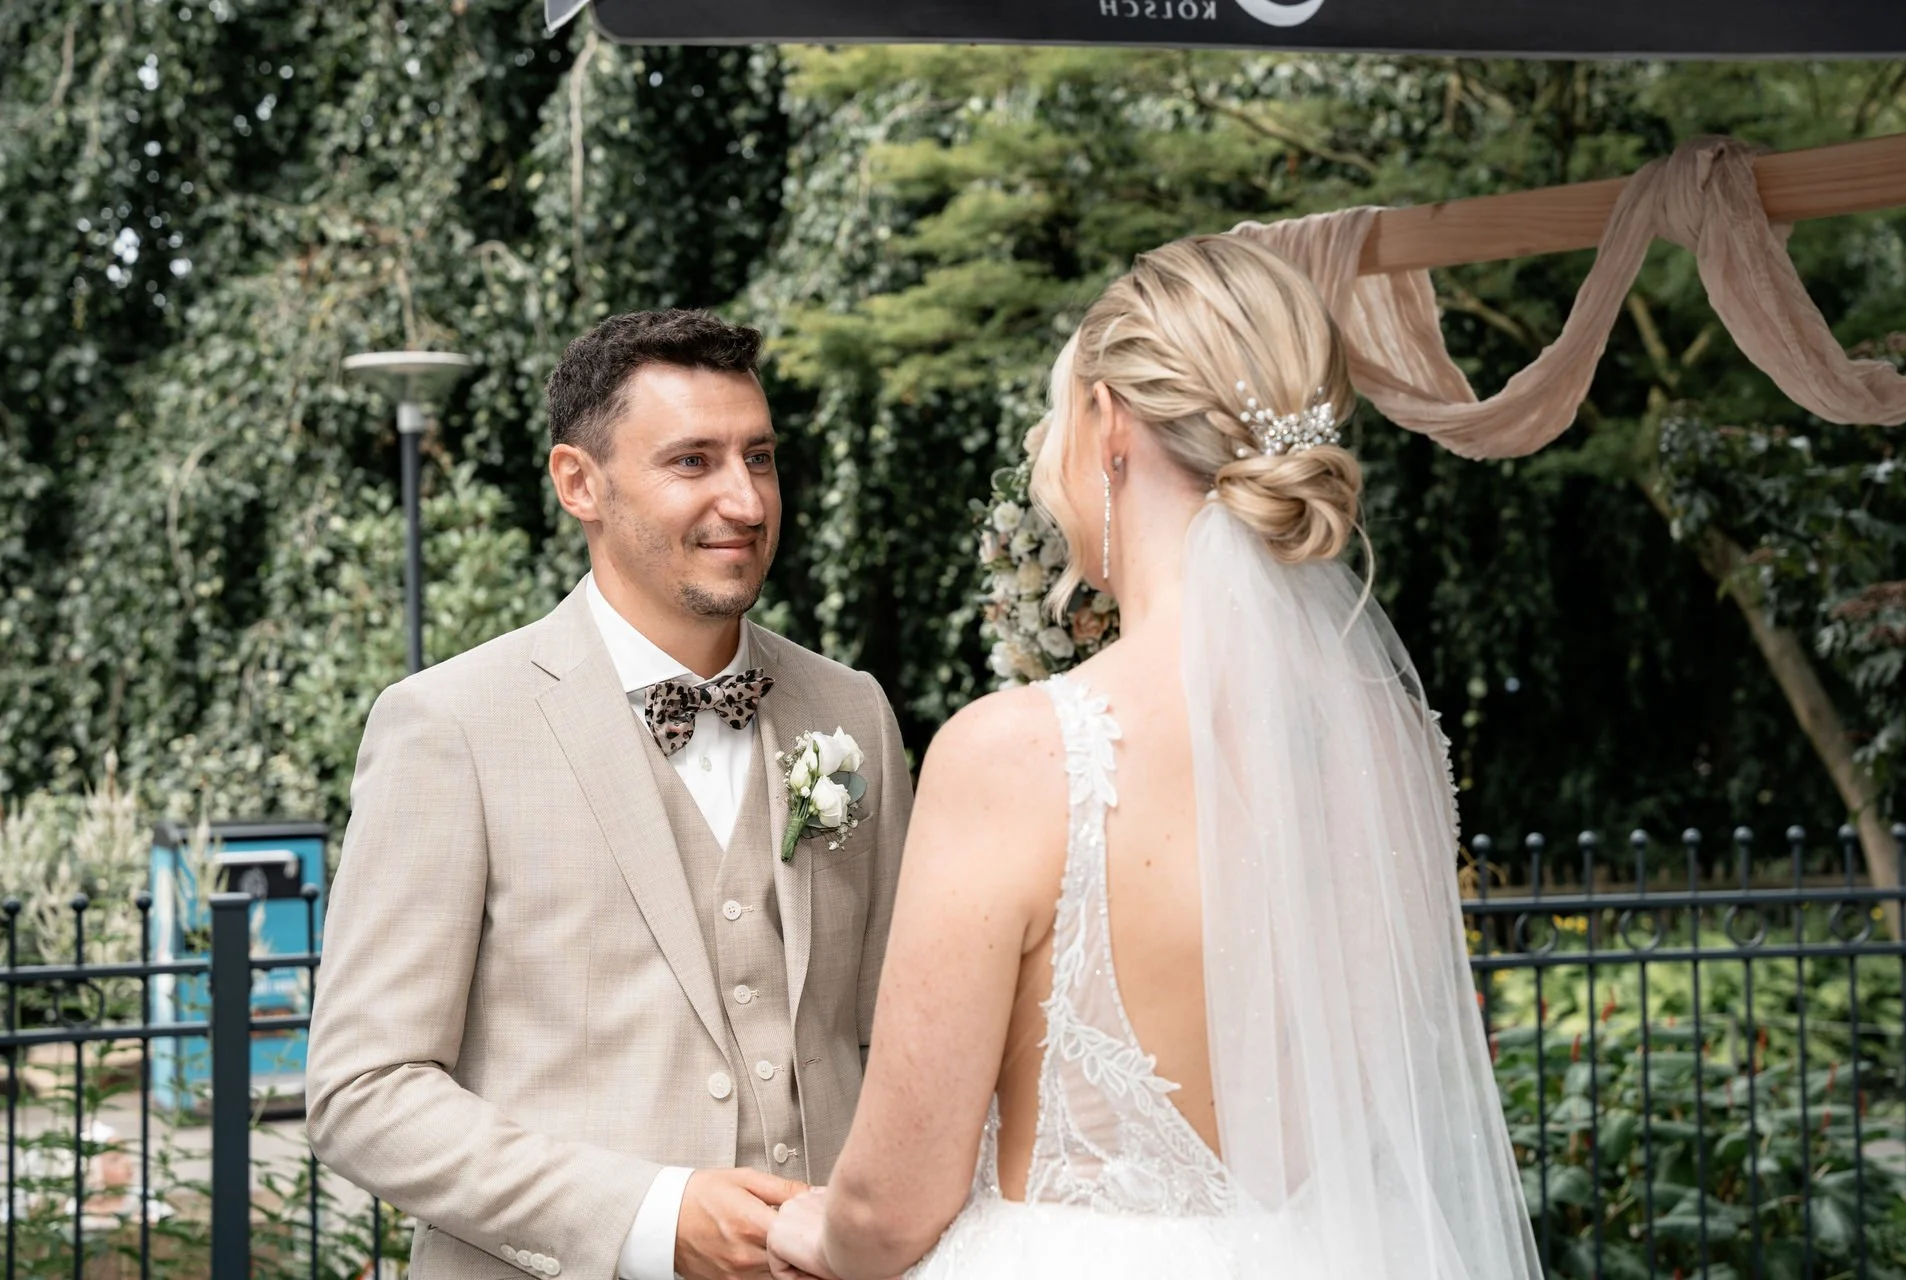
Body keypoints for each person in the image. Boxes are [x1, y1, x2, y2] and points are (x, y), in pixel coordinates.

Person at [764, 235, 1542, 1280]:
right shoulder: (1393, 742)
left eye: (1059, 414)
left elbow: (893, 1203)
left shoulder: (1016, 753)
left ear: (1110, 423)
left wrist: (805, 1227)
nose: (1049, 451)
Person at [307, 309, 911, 1280]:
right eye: (693, 461)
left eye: (759, 457)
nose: (747, 501)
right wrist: (647, 1214)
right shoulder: (449, 726)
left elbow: (897, 1040)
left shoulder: (854, 711)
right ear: (578, 483)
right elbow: (362, 1090)